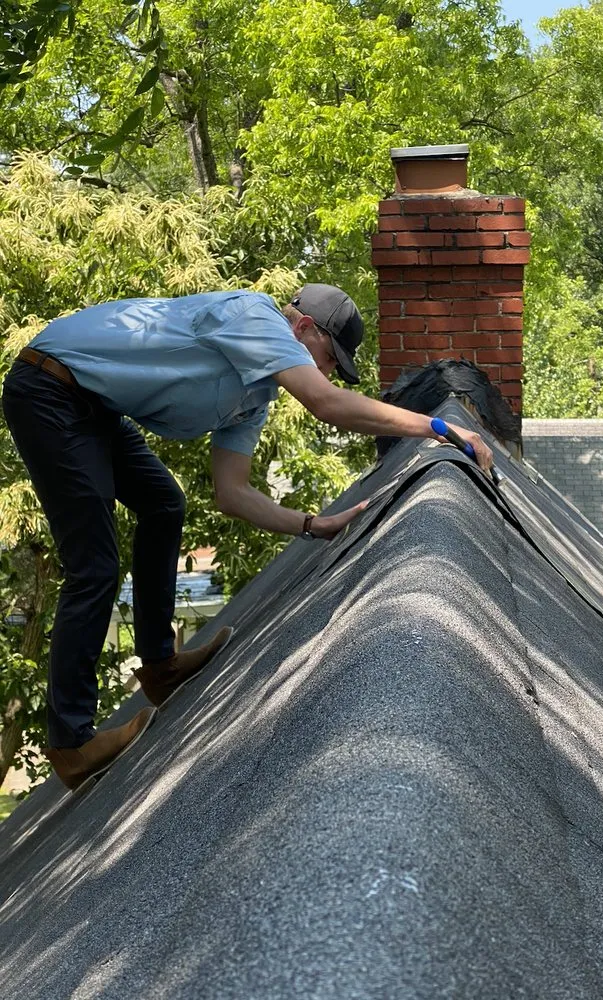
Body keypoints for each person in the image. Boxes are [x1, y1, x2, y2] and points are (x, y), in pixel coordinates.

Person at [1, 283, 492, 790]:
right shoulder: (251, 316)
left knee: (164, 504)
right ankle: (71, 743)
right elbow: (324, 402)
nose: (324, 372)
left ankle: (160, 667)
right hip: (49, 387)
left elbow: (232, 493)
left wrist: (309, 525)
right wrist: (435, 426)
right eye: (328, 358)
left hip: (95, 407)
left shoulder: (253, 395)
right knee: (95, 565)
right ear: (303, 327)